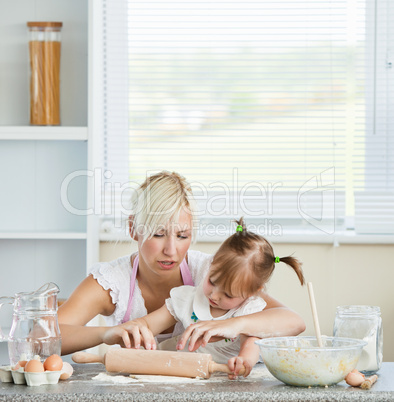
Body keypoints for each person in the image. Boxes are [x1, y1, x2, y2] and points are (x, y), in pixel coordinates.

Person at [58, 171, 306, 359]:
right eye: (158, 234)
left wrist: (232, 325)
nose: (171, 250)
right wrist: (104, 335)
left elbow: (291, 320)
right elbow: (41, 338)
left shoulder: (211, 273)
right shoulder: (112, 282)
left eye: (182, 236)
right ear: (133, 229)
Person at [103, 218, 305, 378]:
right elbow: (146, 325)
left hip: (219, 380)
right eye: (212, 280)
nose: (214, 295)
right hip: (177, 375)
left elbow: (251, 347)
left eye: (228, 294)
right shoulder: (187, 298)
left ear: (253, 292)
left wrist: (244, 362)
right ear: (211, 263)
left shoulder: (249, 312)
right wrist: (136, 334)